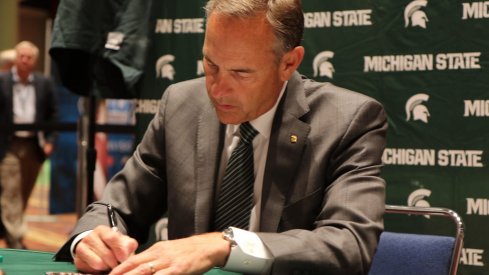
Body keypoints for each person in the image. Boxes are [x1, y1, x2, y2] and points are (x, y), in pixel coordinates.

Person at [55, 0, 387, 274]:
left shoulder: (348, 120)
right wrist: (88, 238)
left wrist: (225, 243)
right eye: (211, 65)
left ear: (289, 63)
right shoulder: (181, 104)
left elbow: (350, 243)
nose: (217, 89)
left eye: (241, 73)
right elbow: (118, 204)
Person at [0, 41, 58, 248]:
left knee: (24, 192)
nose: (24, 60)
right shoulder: (2, 81)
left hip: (35, 145)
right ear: (15, 58)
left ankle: (9, 230)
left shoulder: (44, 83)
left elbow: (53, 114)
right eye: (21, 56)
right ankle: (16, 239)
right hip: (8, 146)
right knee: (11, 191)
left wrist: (50, 140)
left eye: (29, 57)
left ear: (35, 60)